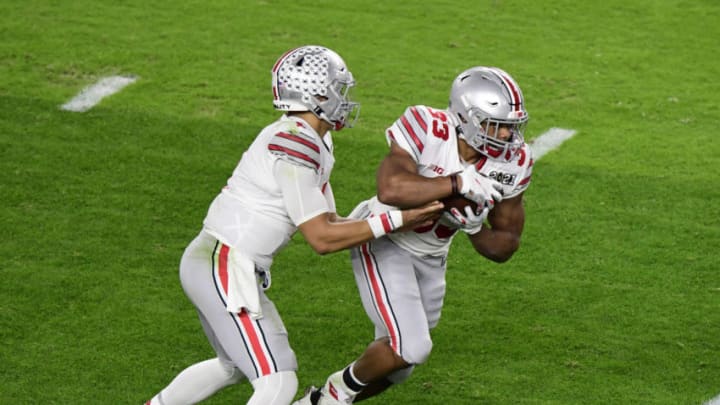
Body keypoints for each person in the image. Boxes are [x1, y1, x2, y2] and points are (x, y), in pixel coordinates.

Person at [144, 45, 451, 405]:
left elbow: (332, 222)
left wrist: (389, 218)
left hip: (219, 262)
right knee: (278, 383)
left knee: (234, 366)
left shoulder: (313, 139)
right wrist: (398, 219)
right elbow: (321, 238)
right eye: (337, 89)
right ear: (314, 93)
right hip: (224, 264)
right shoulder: (296, 142)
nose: (343, 98)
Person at [294, 66, 533, 404]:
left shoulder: (515, 161)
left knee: (398, 366)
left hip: (432, 255)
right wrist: (457, 183)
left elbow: (506, 244)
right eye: (496, 125)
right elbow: (391, 189)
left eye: (511, 127)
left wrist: (475, 228)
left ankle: (324, 400)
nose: (507, 137)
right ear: (465, 116)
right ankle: (329, 398)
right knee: (412, 346)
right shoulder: (427, 126)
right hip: (385, 236)